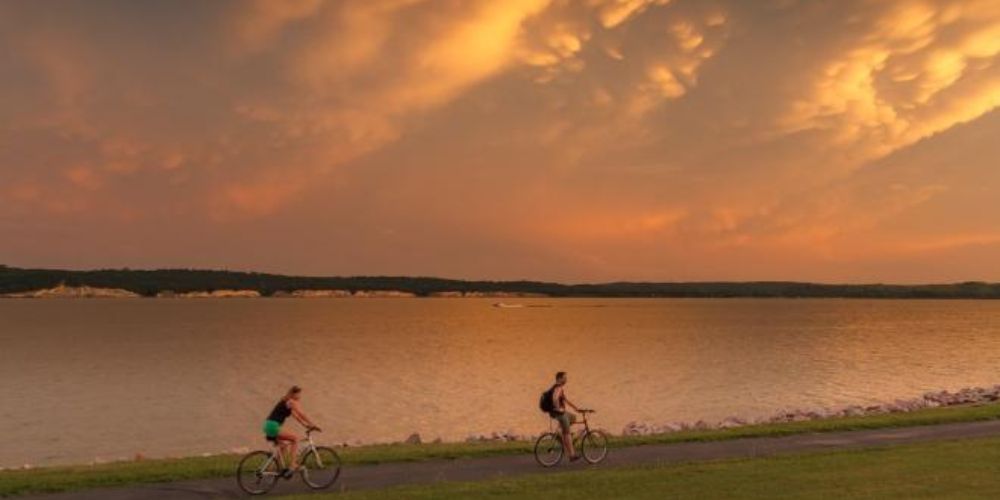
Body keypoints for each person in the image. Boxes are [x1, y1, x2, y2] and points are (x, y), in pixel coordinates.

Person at [263, 385, 320, 477]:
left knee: (283, 446)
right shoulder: (291, 401)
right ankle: (293, 464)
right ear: (293, 394)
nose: (299, 397)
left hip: (267, 425)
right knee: (295, 439)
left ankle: (274, 467)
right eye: (298, 394)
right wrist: (312, 424)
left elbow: (297, 417)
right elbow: (301, 414)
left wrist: (306, 425)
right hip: (273, 426)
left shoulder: (286, 402)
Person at [548, 371, 582, 461]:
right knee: (567, 433)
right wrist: (558, 408)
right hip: (559, 413)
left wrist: (576, 408)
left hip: (558, 413)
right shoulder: (558, 388)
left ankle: (562, 435)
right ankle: (572, 455)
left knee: (573, 417)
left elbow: (566, 401)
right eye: (564, 377)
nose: (566, 379)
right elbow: (555, 398)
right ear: (559, 379)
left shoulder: (557, 387)